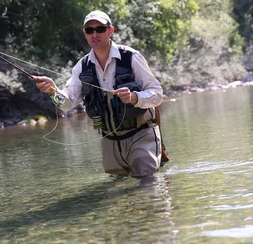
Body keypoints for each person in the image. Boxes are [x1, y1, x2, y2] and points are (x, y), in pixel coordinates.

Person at [33, 10, 164, 178]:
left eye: (100, 29)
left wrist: (134, 97)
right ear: (85, 34)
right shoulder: (82, 66)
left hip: (141, 134)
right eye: (89, 30)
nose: (94, 34)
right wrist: (52, 90)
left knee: (146, 180)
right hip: (109, 140)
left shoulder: (131, 57)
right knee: (117, 191)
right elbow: (68, 103)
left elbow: (157, 94)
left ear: (110, 31)